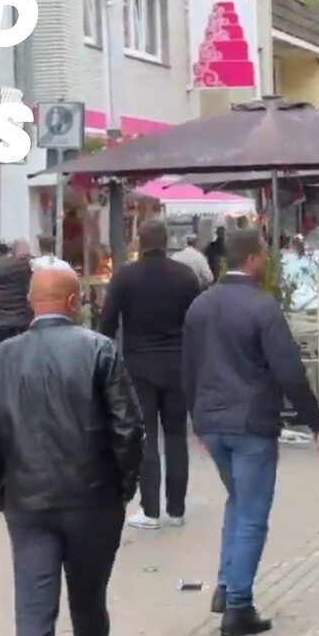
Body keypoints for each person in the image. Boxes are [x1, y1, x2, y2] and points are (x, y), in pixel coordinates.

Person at [0, 267, 144, 636]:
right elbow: (127, 428)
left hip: (27, 501)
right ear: (72, 302)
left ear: (31, 302)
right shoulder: (99, 350)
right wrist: (122, 486)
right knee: (89, 602)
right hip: (93, 500)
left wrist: (0, 491)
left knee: (33, 610)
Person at [182, 229, 319, 636]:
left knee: (237, 502)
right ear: (253, 258)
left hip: (212, 421)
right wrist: (314, 420)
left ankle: (227, 585)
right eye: (263, 254)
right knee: (251, 514)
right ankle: (239, 605)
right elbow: (289, 371)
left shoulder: (200, 306)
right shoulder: (263, 308)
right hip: (252, 424)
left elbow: (188, 366)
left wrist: (196, 418)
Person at [99, 219, 202, 530]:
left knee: (146, 437)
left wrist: (107, 361)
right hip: (178, 364)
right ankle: (177, 508)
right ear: (167, 240)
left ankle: (151, 510)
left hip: (139, 366)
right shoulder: (185, 276)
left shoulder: (125, 277)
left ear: (138, 242)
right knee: (175, 436)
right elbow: (196, 320)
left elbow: (107, 324)